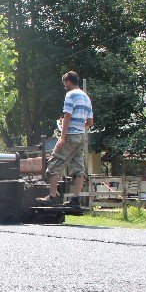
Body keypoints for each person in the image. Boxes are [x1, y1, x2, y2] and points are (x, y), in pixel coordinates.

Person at [39, 71, 94, 208]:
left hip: (70, 135)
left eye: (65, 83)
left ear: (68, 82)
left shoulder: (70, 95)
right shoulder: (86, 97)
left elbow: (67, 116)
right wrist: (80, 127)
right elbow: (90, 121)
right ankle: (76, 200)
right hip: (81, 136)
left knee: (54, 163)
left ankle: (52, 196)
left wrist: (62, 136)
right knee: (78, 167)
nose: (65, 86)